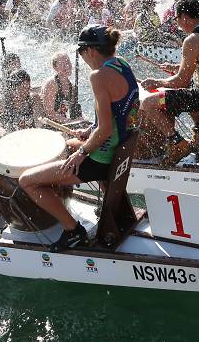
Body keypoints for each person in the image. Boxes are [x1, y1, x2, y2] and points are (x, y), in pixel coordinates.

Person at [19, 25, 139, 252]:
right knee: (66, 144)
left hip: (102, 159)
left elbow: (104, 131)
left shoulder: (98, 76)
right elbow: (122, 114)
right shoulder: (122, 64)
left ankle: (72, 230)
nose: (82, 59)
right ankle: (69, 194)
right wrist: (89, 132)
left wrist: (82, 153)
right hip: (119, 148)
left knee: (27, 181)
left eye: (81, 53)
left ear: (90, 51)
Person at [139, 0, 199, 166]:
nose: (178, 24)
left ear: (184, 18)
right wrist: (178, 66)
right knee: (188, 87)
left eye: (177, 19)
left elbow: (180, 82)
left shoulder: (192, 40)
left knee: (148, 103)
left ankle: (178, 144)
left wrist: (156, 82)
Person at [42, 52, 74, 124]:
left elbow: (73, 110)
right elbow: (49, 113)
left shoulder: (72, 87)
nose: (66, 66)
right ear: (55, 67)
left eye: (68, 62)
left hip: (64, 123)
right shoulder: (51, 84)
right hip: (49, 125)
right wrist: (69, 122)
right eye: (62, 64)